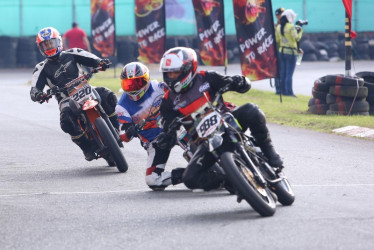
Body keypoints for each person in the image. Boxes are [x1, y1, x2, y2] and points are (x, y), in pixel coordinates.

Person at [156, 47, 283, 191]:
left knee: (252, 110)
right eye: (168, 73)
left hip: (228, 121)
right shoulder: (167, 102)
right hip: (204, 142)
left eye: (175, 72)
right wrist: (166, 137)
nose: (171, 77)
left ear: (188, 69)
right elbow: (168, 129)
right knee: (190, 179)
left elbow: (234, 83)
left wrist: (239, 82)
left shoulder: (207, 77)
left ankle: (269, 151)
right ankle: (226, 180)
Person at [30, 27, 118, 163]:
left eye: (51, 43)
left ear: (58, 41)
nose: (49, 47)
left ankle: (116, 129)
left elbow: (94, 59)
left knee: (109, 96)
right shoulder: (40, 67)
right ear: (40, 48)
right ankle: (87, 147)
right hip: (65, 99)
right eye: (45, 45)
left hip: (85, 88)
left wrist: (101, 63)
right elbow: (34, 88)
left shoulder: (74, 52)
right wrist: (38, 94)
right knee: (66, 122)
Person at [116, 62, 185, 191]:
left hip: (174, 127)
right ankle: (188, 174)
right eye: (128, 84)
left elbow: (179, 95)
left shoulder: (158, 86)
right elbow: (123, 135)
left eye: (137, 83)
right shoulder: (121, 106)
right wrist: (130, 131)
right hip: (155, 141)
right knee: (152, 180)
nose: (133, 88)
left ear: (146, 79)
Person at [275, 9, 303, 97]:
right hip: (291, 52)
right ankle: (289, 92)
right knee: (289, 74)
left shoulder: (279, 27)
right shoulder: (291, 27)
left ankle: (282, 91)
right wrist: (300, 30)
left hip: (281, 52)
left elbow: (277, 40)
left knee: (283, 72)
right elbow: (296, 38)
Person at [274, 7, 284, 95]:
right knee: (278, 70)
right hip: (277, 51)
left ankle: (282, 89)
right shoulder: (276, 25)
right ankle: (278, 89)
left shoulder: (284, 24)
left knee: (283, 71)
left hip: (282, 50)